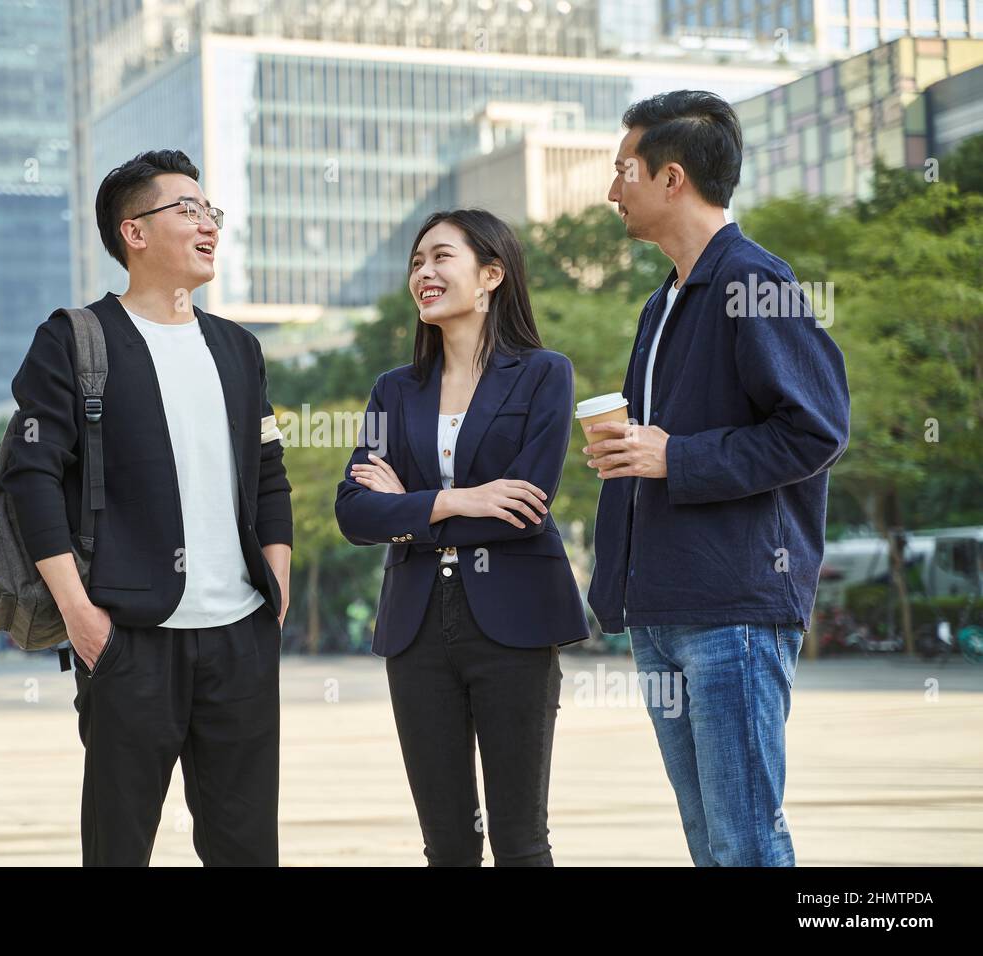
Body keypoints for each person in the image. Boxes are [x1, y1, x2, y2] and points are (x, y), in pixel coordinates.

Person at [0, 149, 293, 866]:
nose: (208, 225)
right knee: (118, 847)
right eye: (187, 210)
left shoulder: (238, 348)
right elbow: (31, 477)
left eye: (210, 212)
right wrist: (80, 614)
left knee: (247, 849)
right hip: (129, 635)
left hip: (239, 637)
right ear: (134, 232)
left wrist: (274, 591)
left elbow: (268, 473)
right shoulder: (75, 339)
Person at [585, 91, 850, 866]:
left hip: (733, 609)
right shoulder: (659, 303)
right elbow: (667, 440)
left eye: (622, 171)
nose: (611, 191)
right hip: (662, 607)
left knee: (744, 840)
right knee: (711, 842)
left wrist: (678, 456)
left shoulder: (755, 280)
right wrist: (633, 455)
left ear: (672, 178)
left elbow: (816, 429)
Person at [335, 209, 589, 866]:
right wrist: (458, 499)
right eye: (417, 262)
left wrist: (411, 510)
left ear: (491, 275)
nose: (424, 273)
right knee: (446, 843)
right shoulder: (394, 390)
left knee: (520, 841)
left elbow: (525, 506)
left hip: (516, 624)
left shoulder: (543, 374)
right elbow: (356, 512)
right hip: (416, 631)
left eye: (441, 257)